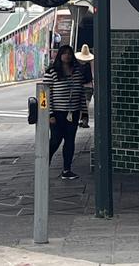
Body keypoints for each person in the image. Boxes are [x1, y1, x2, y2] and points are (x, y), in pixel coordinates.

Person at [43, 44, 87, 180]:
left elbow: (81, 94)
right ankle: (44, 163)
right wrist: (49, 114)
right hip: (57, 113)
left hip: (72, 113)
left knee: (70, 141)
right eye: (64, 53)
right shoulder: (52, 73)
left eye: (69, 53)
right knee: (56, 139)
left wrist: (84, 113)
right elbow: (44, 95)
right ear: (60, 56)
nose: (67, 56)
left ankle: (67, 169)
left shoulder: (77, 73)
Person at [75, 44, 94, 128]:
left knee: (85, 105)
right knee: (80, 105)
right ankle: (81, 120)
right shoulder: (76, 63)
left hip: (88, 86)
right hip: (80, 86)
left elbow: (93, 74)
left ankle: (84, 120)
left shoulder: (91, 62)